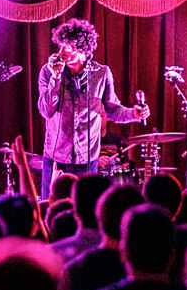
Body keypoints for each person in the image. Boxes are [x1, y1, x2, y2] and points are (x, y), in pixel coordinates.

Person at [37, 19, 148, 197]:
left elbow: (112, 109)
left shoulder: (102, 73)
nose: (61, 51)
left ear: (82, 50)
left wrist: (133, 113)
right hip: (55, 158)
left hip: (86, 160)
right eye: (61, 45)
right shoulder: (48, 71)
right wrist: (55, 78)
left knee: (85, 213)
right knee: (51, 211)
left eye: (68, 47)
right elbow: (46, 110)